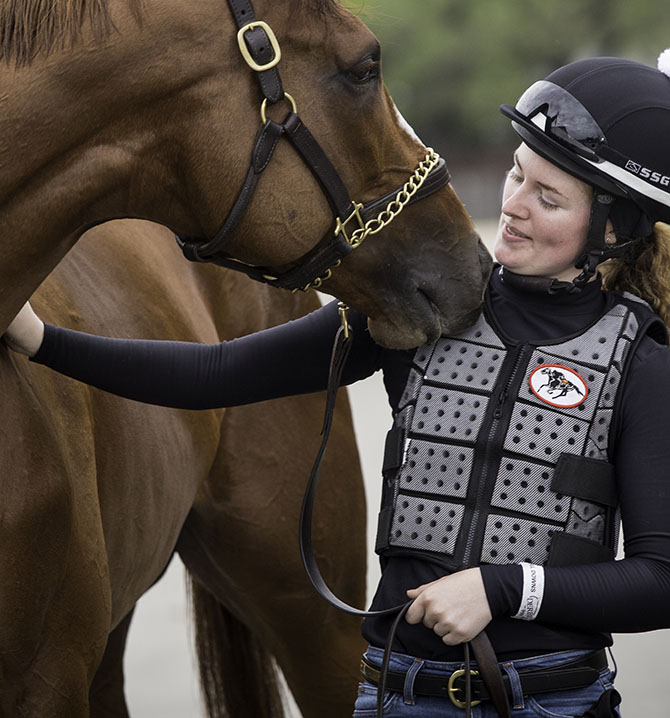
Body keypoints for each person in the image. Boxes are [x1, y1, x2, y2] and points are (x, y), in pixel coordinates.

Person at [5, 55, 670, 718]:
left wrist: (505, 589)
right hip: (394, 698)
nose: (514, 206)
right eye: (516, 175)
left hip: (552, 704)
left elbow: (658, 579)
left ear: (616, 229)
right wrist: (42, 340)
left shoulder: (642, 366)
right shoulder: (425, 314)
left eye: (548, 198)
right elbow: (218, 372)